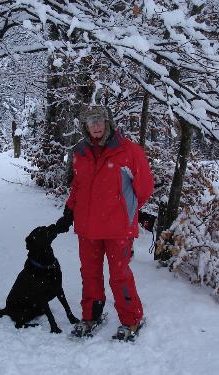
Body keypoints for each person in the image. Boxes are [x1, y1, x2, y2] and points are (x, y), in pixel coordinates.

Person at [56, 105, 154, 340]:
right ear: (85, 126)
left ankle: (132, 320)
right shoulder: (80, 152)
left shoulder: (129, 151)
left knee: (119, 275)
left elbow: (144, 188)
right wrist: (70, 208)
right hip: (87, 227)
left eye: (99, 120)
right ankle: (91, 316)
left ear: (108, 122)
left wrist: (124, 210)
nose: (96, 126)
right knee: (90, 274)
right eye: (91, 122)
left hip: (118, 228)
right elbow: (78, 185)